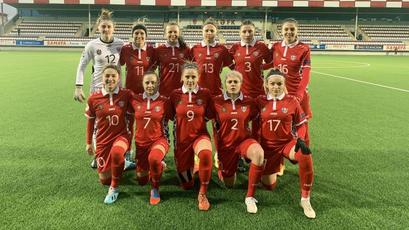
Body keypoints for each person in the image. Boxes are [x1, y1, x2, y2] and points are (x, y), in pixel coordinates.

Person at [74, 9, 135, 170]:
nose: (106, 29)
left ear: (113, 28)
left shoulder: (121, 44)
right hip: (98, 90)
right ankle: (98, 155)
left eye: (108, 27)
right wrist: (78, 87)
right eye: (103, 27)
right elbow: (82, 66)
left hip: (117, 90)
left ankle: (124, 154)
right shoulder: (92, 45)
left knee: (120, 121)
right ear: (98, 28)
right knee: (97, 124)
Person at [255, 69, 315, 218]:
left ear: (284, 85)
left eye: (279, 84)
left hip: (287, 144)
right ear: (267, 85)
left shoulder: (292, 101)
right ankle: (272, 169)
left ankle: (305, 200)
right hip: (267, 148)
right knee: (269, 186)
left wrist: (300, 139)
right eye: (272, 84)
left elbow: (301, 124)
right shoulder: (259, 101)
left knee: (305, 154)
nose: (276, 87)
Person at [211, 71, 264, 214]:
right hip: (226, 146)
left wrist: (257, 140)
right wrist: (217, 146)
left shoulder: (249, 102)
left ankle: (250, 197)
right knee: (229, 184)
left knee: (259, 154)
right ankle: (223, 167)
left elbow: (256, 120)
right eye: (230, 82)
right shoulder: (216, 101)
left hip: (244, 141)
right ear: (225, 84)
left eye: (236, 82)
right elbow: (212, 126)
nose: (233, 84)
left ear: (241, 84)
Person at [84, 64, 133, 204]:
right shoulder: (93, 98)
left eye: (113, 76)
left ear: (118, 78)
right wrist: (88, 143)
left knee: (117, 153)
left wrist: (131, 138)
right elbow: (90, 122)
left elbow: (134, 114)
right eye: (107, 76)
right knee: (104, 180)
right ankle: (123, 164)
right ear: (102, 77)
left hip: (121, 136)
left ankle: (114, 188)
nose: (110, 79)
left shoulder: (126, 94)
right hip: (102, 140)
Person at [168, 62, 213, 211]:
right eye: (187, 76)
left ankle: (202, 194)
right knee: (187, 185)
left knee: (206, 153)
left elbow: (210, 115)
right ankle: (195, 166)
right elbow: (169, 116)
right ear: (181, 77)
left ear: (198, 77)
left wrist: (197, 123)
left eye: (193, 77)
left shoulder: (205, 93)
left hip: (200, 136)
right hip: (182, 141)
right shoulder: (175, 95)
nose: (190, 80)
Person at [130, 71, 169, 205]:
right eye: (147, 82)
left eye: (153, 82)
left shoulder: (164, 101)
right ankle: (159, 165)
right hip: (140, 144)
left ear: (158, 83)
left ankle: (155, 189)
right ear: (142, 84)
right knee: (141, 180)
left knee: (154, 158)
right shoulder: (135, 100)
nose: (150, 85)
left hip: (158, 141)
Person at [229, 20, 272, 99]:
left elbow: (271, 62)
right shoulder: (235, 47)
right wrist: (235, 68)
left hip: (258, 89)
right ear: (240, 33)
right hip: (239, 90)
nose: (247, 34)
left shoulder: (262, 46)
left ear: (254, 32)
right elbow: (226, 61)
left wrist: (261, 67)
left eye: (250, 31)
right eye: (244, 31)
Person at [190, 19, 233, 96]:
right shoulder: (194, 49)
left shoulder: (222, 49)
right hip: (198, 91)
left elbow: (234, 68)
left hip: (216, 90)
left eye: (212, 31)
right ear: (202, 32)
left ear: (216, 32)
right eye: (206, 30)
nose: (209, 33)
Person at [155, 22, 192, 97]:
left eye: (175, 32)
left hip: (182, 91)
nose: (172, 34)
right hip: (164, 91)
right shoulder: (159, 50)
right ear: (165, 34)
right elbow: (151, 69)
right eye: (170, 32)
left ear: (179, 33)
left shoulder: (186, 50)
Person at [120, 24, 157, 95]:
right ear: (132, 35)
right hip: (130, 89)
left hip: (147, 89)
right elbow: (121, 63)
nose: (139, 36)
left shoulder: (152, 50)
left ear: (146, 36)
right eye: (136, 33)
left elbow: (155, 67)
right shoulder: (125, 49)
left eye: (142, 33)